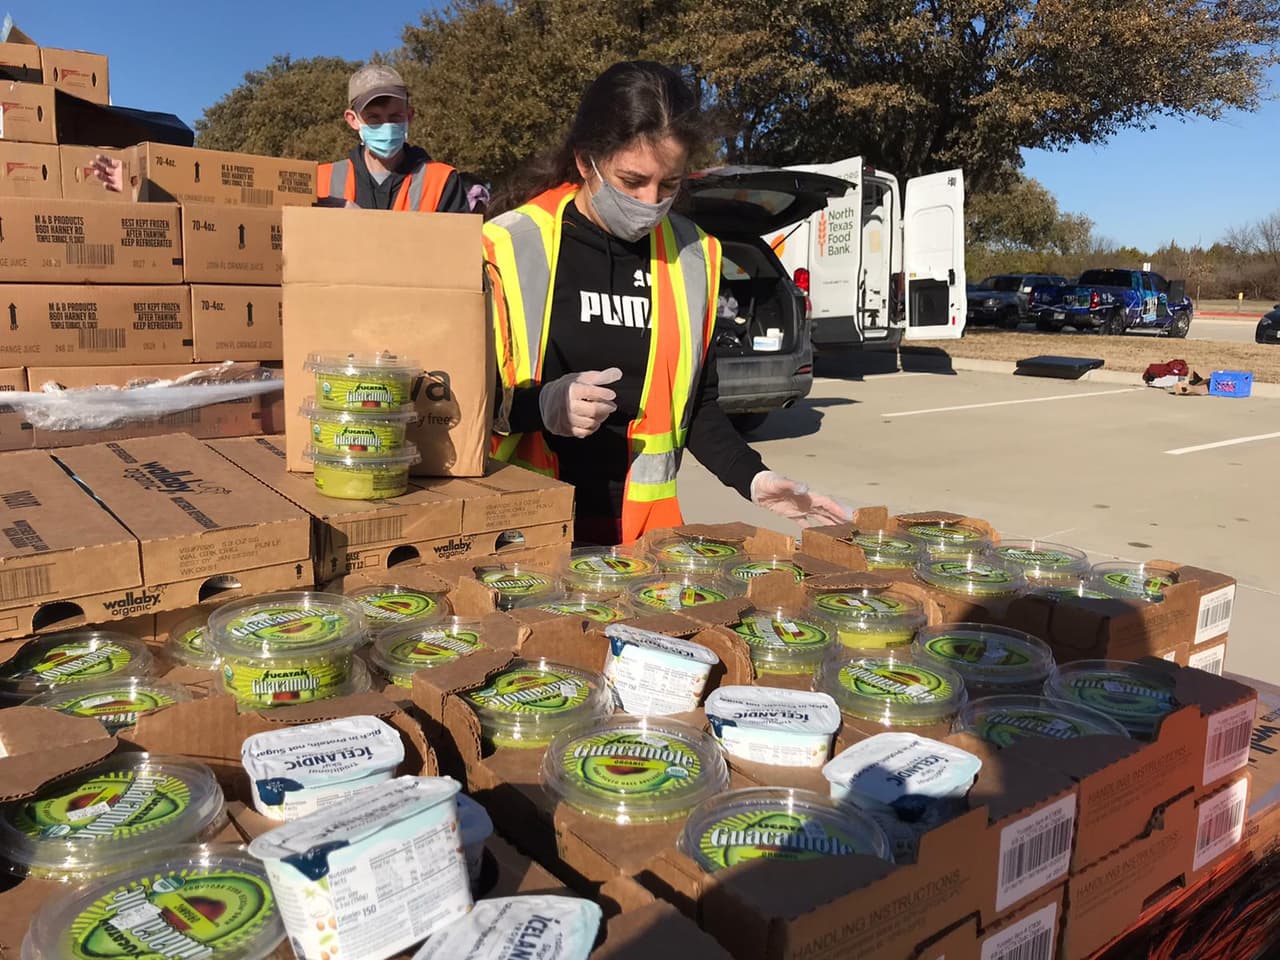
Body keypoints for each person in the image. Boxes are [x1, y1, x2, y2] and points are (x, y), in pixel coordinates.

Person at [484, 61, 850, 546]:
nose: (650, 201)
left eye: (669, 185)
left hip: (639, 536)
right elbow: (464, 403)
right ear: (584, 161)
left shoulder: (695, 255)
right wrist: (541, 405)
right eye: (632, 181)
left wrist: (754, 478)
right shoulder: (508, 246)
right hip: (522, 527)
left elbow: (696, 404)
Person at [317, 64, 469, 212]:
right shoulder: (321, 180)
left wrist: (361, 223)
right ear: (352, 120)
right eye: (374, 118)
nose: (386, 125)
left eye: (395, 116)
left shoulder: (442, 181)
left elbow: (457, 237)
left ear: (409, 116)